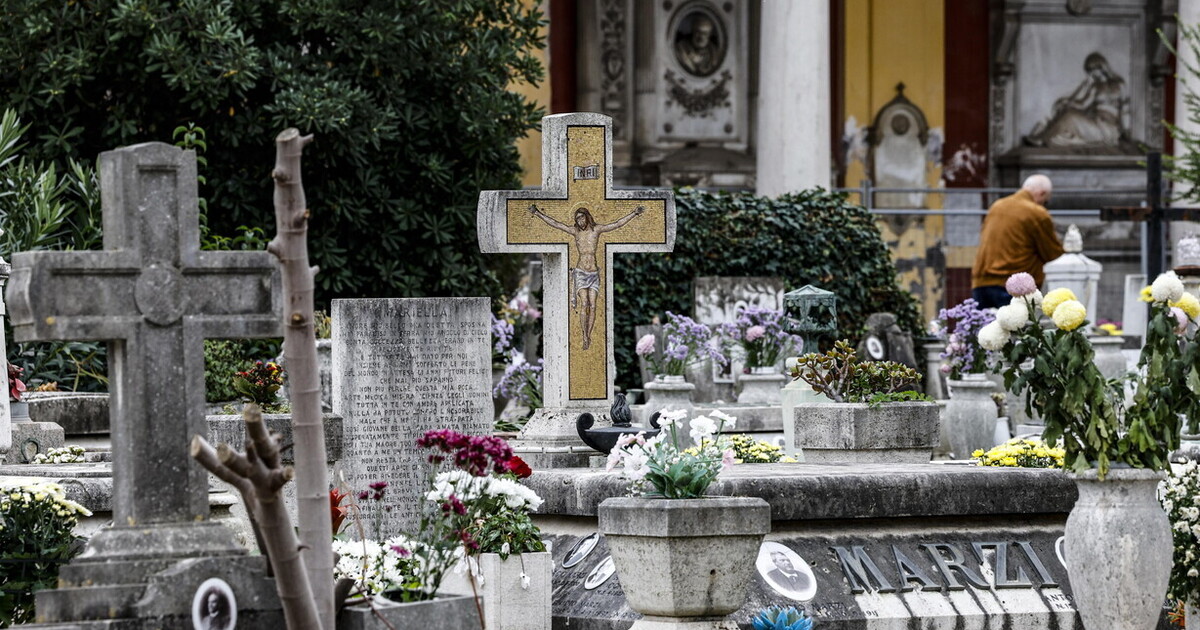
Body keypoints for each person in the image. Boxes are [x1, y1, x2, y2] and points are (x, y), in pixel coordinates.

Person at [529, 204, 645, 350]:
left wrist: (634, 213)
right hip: (581, 272)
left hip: (593, 273)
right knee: (584, 304)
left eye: (581, 217)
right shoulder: (575, 232)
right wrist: (538, 213)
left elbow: (616, 224)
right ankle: (584, 335)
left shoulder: (596, 230)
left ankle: (588, 334)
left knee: (593, 305)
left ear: (587, 217)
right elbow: (556, 224)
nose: (579, 221)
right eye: (577, 219)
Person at [971, 174, 1064, 308]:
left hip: (981, 283)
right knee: (1016, 328)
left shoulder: (997, 206)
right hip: (1011, 286)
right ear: (1042, 193)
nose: (1044, 205)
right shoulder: (1037, 213)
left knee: (983, 327)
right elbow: (1053, 254)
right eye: (1045, 201)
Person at [1024, 52, 1129, 148]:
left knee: (1070, 117)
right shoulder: (1095, 86)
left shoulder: (1119, 84)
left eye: (1092, 70)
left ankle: (1042, 138)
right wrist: (1068, 100)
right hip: (1096, 126)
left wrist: (1125, 133)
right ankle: (1042, 136)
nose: (1091, 74)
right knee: (1068, 117)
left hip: (1106, 130)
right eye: (1089, 71)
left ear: (1101, 66)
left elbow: (1125, 110)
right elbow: (1083, 104)